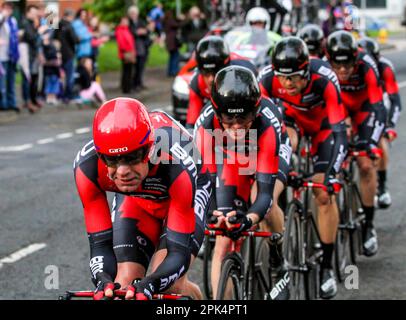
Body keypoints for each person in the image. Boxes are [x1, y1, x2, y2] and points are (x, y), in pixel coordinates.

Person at [73, 97, 212, 300]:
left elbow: (177, 254)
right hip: (137, 199)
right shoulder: (87, 167)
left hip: (184, 193)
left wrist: (151, 283)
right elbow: (100, 245)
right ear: (101, 155)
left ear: (149, 150)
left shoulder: (176, 164)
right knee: (123, 283)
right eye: (112, 160)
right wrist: (103, 279)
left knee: (168, 286)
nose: (122, 172)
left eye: (131, 158)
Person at [259, 37, 348, 299]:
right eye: (283, 77)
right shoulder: (266, 79)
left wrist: (332, 173)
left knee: (323, 193)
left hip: (323, 129)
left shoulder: (325, 78)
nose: (288, 83)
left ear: (306, 70)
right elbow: (263, 127)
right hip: (291, 123)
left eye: (295, 77)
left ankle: (327, 266)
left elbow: (340, 132)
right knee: (283, 140)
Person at [194, 65, 291, 300]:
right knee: (223, 240)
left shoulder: (267, 122)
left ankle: (278, 257)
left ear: (255, 111)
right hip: (233, 160)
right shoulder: (205, 123)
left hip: (267, 156)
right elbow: (204, 180)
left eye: (244, 117)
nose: (236, 126)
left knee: (267, 207)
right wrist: (215, 213)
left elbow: (265, 195)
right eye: (228, 118)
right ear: (217, 113)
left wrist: (248, 219)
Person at [326, 30, 386, 258]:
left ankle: (369, 225)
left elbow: (379, 107)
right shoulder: (323, 68)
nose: (342, 70)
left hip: (364, 111)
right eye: (337, 65)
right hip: (338, 111)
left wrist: (370, 142)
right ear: (329, 59)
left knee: (366, 164)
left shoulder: (367, 64)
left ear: (356, 57)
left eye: (348, 64)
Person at [358, 37, 402, 209]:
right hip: (356, 106)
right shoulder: (355, 68)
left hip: (377, 104)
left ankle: (382, 186)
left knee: (380, 136)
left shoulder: (385, 68)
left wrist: (389, 124)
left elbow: (395, 100)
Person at [186, 36, 257, 128]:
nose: (211, 79)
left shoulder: (243, 78)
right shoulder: (196, 83)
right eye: (205, 73)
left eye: (216, 72)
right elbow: (191, 122)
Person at [54, 8, 79, 104]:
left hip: (59, 54)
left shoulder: (58, 25)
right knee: (69, 76)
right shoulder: (69, 26)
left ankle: (59, 95)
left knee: (59, 76)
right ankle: (68, 96)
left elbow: (54, 38)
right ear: (70, 16)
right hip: (68, 54)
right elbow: (75, 40)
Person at [0, 1, 19, 113]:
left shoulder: (13, 21)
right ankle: (3, 103)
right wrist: (3, 16)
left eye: (10, 9)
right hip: (1, 54)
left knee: (11, 80)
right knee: (2, 81)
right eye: (6, 8)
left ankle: (12, 103)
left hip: (12, 54)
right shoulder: (1, 18)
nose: (8, 10)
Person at [128, 6, 152, 92]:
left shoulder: (141, 21)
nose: (134, 15)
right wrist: (139, 32)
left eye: (135, 13)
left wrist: (143, 31)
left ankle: (139, 83)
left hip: (143, 47)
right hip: (134, 48)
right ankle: (134, 84)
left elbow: (147, 30)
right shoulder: (129, 23)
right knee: (136, 68)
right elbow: (131, 32)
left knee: (141, 67)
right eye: (132, 13)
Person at [115, 16, 136, 94]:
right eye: (125, 21)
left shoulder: (127, 30)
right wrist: (127, 51)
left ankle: (128, 87)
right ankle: (126, 88)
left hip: (130, 52)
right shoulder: (120, 30)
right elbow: (121, 43)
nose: (127, 23)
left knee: (129, 71)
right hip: (126, 53)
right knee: (127, 71)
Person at [42, 33, 61, 105]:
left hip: (51, 71)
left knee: (51, 84)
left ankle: (50, 98)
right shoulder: (51, 49)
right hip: (51, 71)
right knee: (51, 84)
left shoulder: (49, 49)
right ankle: (50, 97)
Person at [163, 10, 181, 77]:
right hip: (172, 42)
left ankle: (170, 71)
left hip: (169, 41)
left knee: (172, 57)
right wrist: (180, 19)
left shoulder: (165, 21)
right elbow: (177, 25)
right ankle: (174, 71)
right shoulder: (170, 20)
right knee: (175, 56)